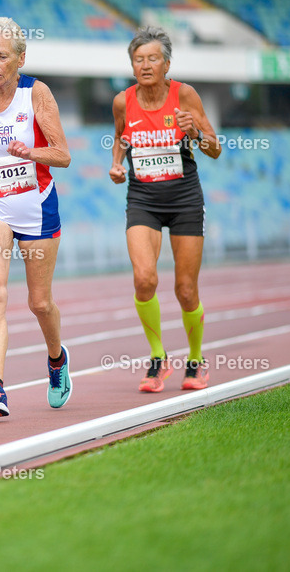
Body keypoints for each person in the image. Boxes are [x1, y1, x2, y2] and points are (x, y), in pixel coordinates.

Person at [0, 17, 72, 417]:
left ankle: (56, 360)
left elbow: (63, 154)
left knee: (39, 303)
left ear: (21, 57)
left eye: (2, 56)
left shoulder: (36, 93)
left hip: (36, 205)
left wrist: (29, 153)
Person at [109, 26, 222, 392]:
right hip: (142, 198)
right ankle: (158, 358)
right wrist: (116, 164)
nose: (145, 65)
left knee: (186, 288)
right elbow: (120, 138)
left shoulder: (184, 95)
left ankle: (196, 359)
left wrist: (195, 134)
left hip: (184, 198)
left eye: (152, 59)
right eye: (138, 59)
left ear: (166, 63)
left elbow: (215, 148)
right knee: (144, 279)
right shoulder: (123, 101)